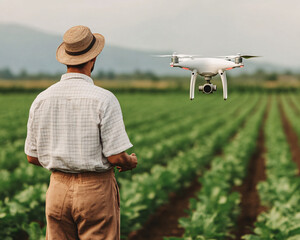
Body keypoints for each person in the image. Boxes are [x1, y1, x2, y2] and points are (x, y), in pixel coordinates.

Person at [24, 25, 137, 240]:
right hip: (95, 190)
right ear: (93, 59)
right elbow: (114, 156)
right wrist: (129, 162)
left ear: (66, 59)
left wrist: (64, 161)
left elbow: (32, 157)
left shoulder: (42, 98)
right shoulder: (104, 98)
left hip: (57, 189)